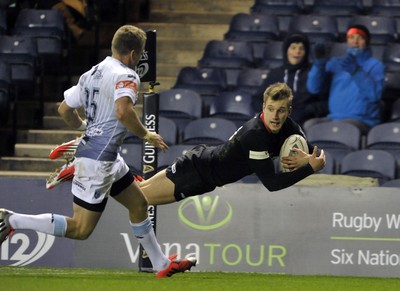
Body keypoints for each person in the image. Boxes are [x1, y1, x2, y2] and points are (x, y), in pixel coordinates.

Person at [0, 25, 196, 278]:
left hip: (106, 157)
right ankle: (12, 220)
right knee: (80, 229)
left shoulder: (91, 73)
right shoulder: (127, 75)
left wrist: (86, 129)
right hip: (98, 162)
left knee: (139, 203)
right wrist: (146, 134)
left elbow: (64, 110)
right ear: (134, 53)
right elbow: (123, 112)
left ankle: (160, 264)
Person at [45, 82, 326, 205]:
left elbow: (301, 145)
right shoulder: (256, 135)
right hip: (199, 170)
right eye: (270, 109)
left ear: (289, 110)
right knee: (138, 199)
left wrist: (304, 158)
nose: (275, 116)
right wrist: (309, 169)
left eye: (281, 111)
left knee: (137, 192)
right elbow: (272, 183)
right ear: (263, 106)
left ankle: (87, 165)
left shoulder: (288, 126)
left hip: (205, 171)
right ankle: (84, 167)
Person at [305, 25, 385, 135]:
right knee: (309, 125)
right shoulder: (336, 62)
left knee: (341, 127)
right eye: (351, 37)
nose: (355, 41)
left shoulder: (375, 65)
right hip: (334, 118)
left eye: (360, 38)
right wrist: (319, 64)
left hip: (363, 120)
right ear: (347, 41)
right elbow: (313, 88)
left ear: (367, 42)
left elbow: (374, 96)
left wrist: (356, 71)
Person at [260, 32, 328, 127]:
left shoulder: (314, 73)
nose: (297, 52)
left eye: (301, 48)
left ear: (306, 52)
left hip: (304, 122)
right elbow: (259, 98)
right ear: (286, 50)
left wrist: (308, 110)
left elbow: (325, 102)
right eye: (293, 48)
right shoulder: (275, 74)